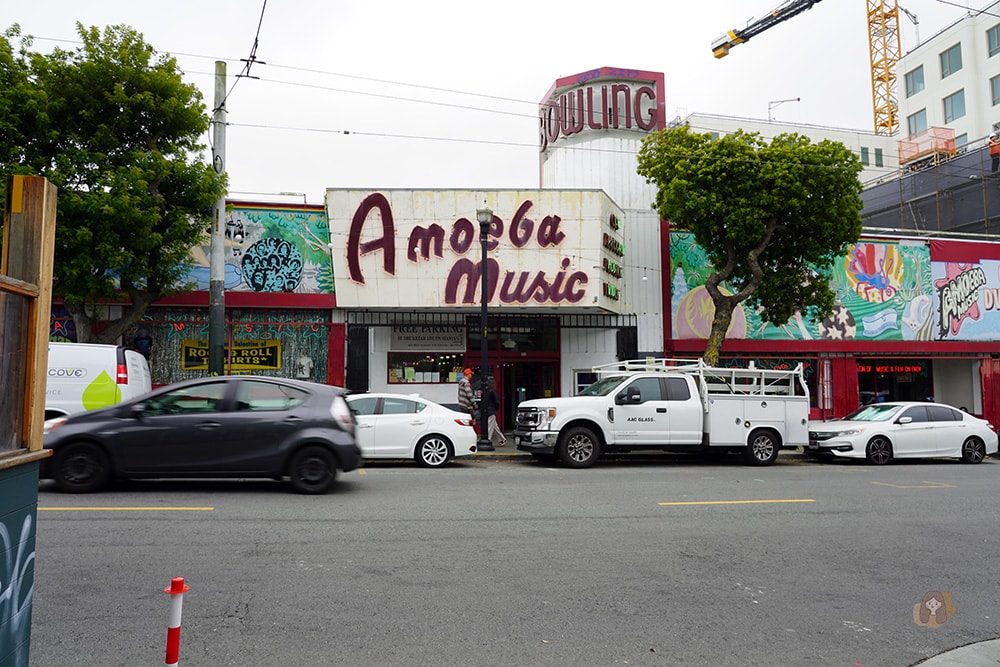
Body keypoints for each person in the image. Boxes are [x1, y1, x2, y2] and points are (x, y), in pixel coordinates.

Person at [485, 376, 506, 447]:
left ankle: (488, 439)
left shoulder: (488, 392)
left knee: (490, 426)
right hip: (492, 410)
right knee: (494, 426)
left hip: (489, 411)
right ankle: (502, 439)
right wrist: (495, 409)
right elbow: (497, 402)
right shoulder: (492, 392)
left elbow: (496, 402)